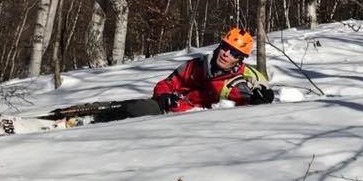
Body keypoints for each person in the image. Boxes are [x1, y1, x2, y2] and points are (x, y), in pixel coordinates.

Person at [101, 27, 274, 122]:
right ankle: (93, 116)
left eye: (234, 53)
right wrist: (163, 96)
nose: (226, 54)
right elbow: (168, 82)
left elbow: (252, 102)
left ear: (240, 60)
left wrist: (261, 99)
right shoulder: (198, 65)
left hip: (187, 125)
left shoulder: (237, 83)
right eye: (225, 47)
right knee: (132, 107)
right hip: (165, 110)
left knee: (135, 111)